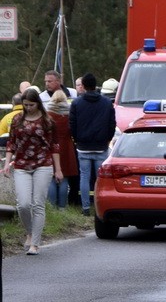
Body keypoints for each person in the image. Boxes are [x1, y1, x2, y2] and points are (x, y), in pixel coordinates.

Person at [3, 88, 63, 255]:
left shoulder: (47, 121)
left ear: (38, 103)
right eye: (25, 105)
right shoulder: (17, 120)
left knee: (37, 204)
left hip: (43, 164)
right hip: (22, 165)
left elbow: (54, 146)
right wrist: (7, 163)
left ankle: (35, 243)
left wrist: (58, 169)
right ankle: (29, 232)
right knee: (23, 204)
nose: (28, 108)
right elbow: (11, 144)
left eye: (31, 104)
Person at [69, 73, 116, 216]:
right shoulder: (106, 103)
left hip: (83, 146)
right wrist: (107, 139)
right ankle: (99, 207)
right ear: (96, 85)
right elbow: (111, 124)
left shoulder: (77, 103)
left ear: (82, 86)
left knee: (84, 176)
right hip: (101, 145)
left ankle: (85, 208)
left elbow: (72, 124)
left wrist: (77, 139)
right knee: (99, 178)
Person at [45, 90, 78, 208]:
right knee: (65, 177)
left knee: (51, 178)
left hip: (51, 147)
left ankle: (52, 206)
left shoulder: (48, 115)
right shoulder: (68, 115)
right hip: (67, 148)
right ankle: (63, 206)